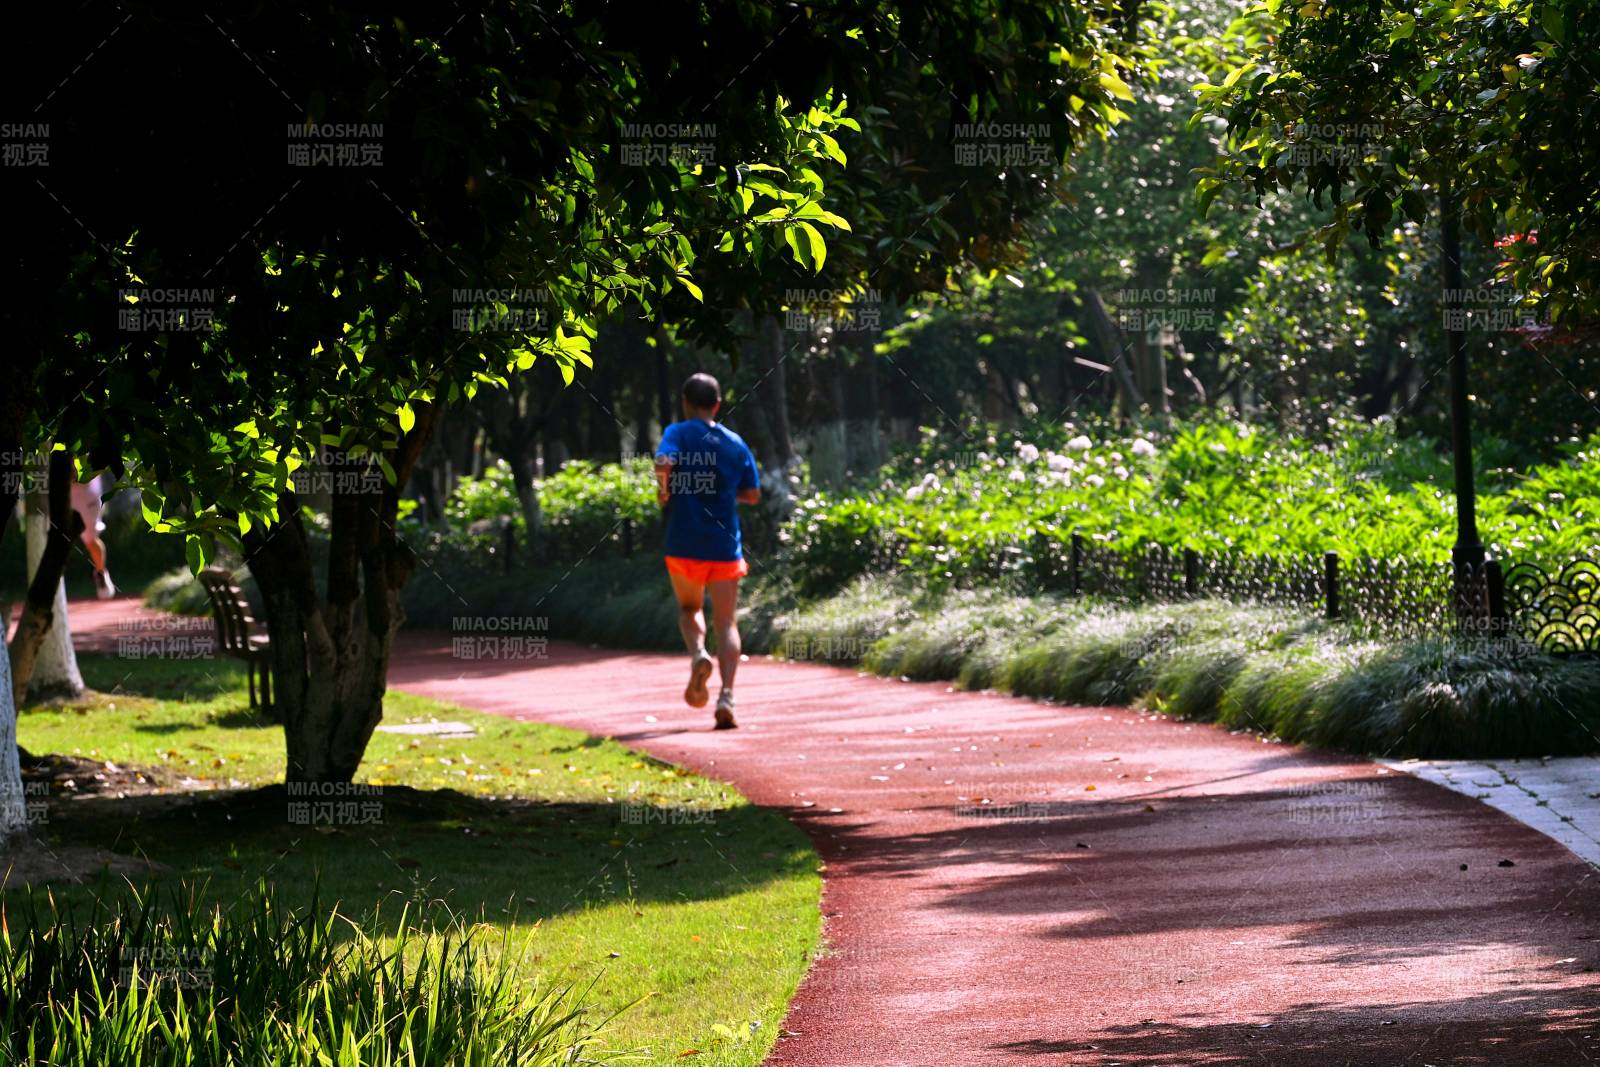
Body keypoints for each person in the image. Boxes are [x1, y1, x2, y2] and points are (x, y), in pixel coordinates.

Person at [655, 372, 761, 729]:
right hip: (724, 546)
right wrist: (723, 493)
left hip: (683, 543)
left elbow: (663, 462)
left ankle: (699, 653)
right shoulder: (734, 443)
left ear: (686, 403)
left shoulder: (677, 433)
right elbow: (752, 494)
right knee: (727, 621)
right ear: (717, 405)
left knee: (689, 608)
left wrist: (664, 492)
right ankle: (727, 696)